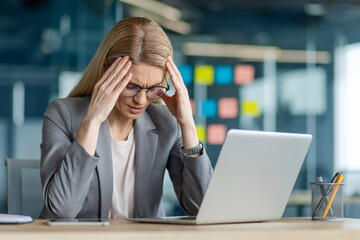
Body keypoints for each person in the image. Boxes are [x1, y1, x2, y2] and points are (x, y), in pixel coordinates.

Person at [39, 17, 213, 219]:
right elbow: (61, 210)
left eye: (153, 88)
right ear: (106, 70)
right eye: (131, 86)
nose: (141, 99)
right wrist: (92, 121)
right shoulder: (62, 115)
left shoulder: (166, 123)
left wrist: (187, 124)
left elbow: (201, 206)